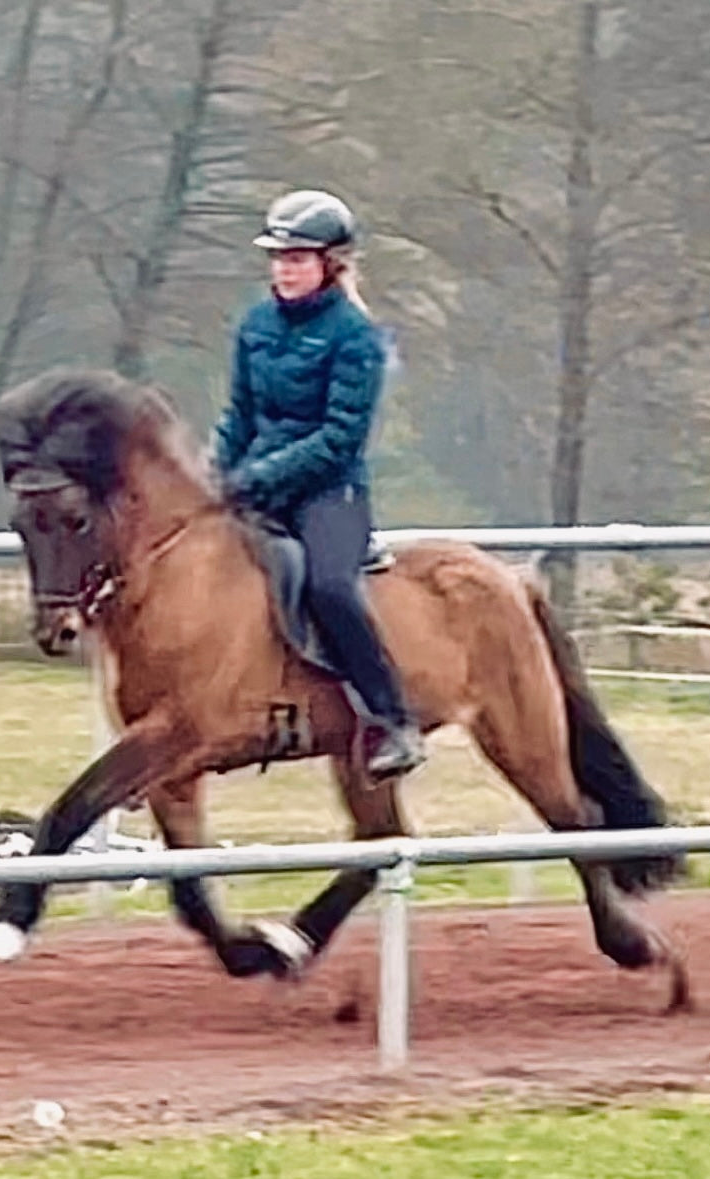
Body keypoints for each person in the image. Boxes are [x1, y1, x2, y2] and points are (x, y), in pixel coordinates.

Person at [214, 189, 427, 780]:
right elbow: (239, 414)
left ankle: (392, 718)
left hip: (329, 493)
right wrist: (216, 475)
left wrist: (260, 477)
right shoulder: (255, 324)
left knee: (331, 587)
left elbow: (339, 439)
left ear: (329, 265)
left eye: (298, 258)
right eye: (279, 258)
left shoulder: (355, 337)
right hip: (258, 480)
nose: (285, 269)